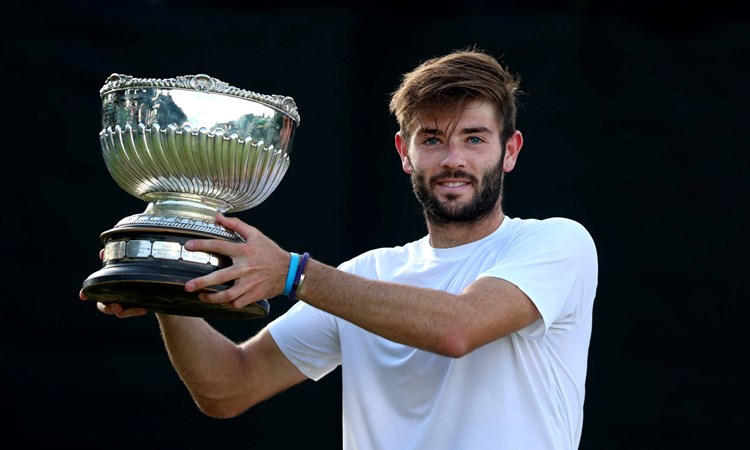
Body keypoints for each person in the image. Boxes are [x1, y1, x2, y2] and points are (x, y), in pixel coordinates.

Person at [81, 47, 598, 450]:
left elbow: (457, 327)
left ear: (510, 151)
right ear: (404, 152)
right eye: (433, 139)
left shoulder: (556, 242)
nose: (453, 159)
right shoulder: (367, 276)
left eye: (475, 139)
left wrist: (292, 273)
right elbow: (228, 388)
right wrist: (169, 285)